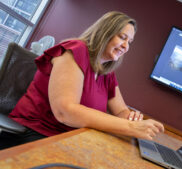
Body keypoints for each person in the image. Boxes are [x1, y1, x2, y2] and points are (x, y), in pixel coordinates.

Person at [0, 11, 164, 150]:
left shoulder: (106, 72)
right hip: (37, 134)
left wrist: (132, 119)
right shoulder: (75, 50)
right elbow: (65, 112)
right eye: (122, 37)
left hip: (72, 139)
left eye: (130, 42)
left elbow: (121, 111)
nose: (126, 46)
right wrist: (131, 127)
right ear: (105, 32)